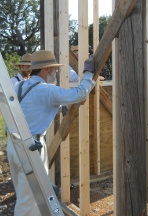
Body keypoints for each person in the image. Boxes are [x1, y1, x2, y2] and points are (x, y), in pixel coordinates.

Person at [7, 50, 95, 215]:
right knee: (27, 203)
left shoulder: (19, 85)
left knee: (25, 194)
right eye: (54, 69)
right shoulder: (46, 90)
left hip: (13, 145)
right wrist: (89, 74)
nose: (56, 71)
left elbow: (31, 108)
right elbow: (80, 93)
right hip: (31, 148)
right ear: (46, 69)